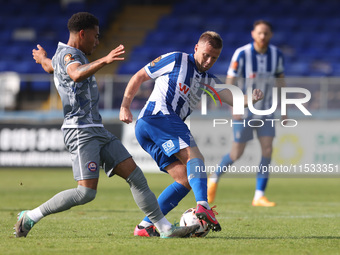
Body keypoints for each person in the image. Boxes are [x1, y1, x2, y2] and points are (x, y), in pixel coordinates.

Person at [14, 12, 200, 239]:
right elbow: (74, 74)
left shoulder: (63, 56)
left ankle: (164, 228)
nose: (98, 41)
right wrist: (104, 60)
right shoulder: (69, 57)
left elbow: (49, 67)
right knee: (85, 193)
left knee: (136, 177)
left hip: (98, 130)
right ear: (82, 34)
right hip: (80, 132)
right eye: (95, 36)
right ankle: (30, 216)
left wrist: (42, 57)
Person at [119, 31, 264, 237]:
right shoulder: (176, 59)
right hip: (158, 117)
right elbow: (139, 76)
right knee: (195, 158)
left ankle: (145, 226)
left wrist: (252, 98)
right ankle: (203, 206)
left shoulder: (207, 79)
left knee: (185, 179)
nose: (208, 61)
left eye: (214, 58)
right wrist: (125, 106)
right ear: (196, 48)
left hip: (151, 129)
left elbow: (234, 99)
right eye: (206, 54)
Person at [208, 20, 286, 207]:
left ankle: (259, 195)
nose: (262, 36)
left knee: (267, 150)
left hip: (266, 111)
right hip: (244, 111)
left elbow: (281, 81)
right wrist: (234, 105)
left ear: (270, 35)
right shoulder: (242, 53)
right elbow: (231, 80)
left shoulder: (277, 55)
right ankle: (214, 178)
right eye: (259, 33)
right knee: (236, 153)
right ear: (253, 34)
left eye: (266, 33)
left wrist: (284, 108)